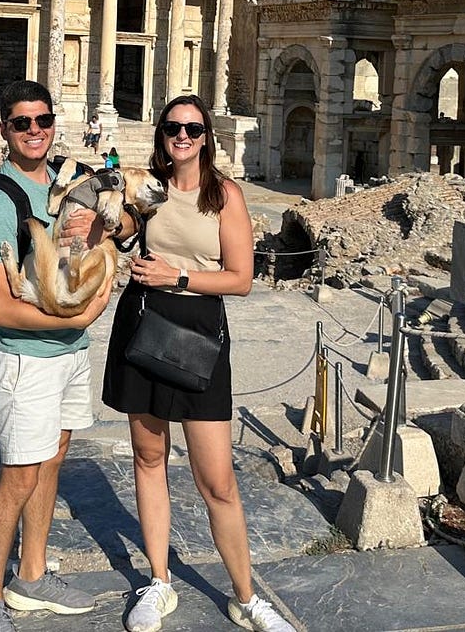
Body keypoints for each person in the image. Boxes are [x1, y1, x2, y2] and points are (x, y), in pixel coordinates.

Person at [101, 95, 294, 632]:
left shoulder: (225, 195)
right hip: (143, 322)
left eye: (191, 128)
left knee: (218, 480)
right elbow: (125, 232)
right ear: (161, 134)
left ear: (206, 135)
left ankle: (246, 597)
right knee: (148, 458)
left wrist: (178, 276)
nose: (181, 136)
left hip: (198, 333)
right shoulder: (148, 187)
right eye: (172, 128)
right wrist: (110, 225)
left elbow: (241, 278)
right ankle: (159, 581)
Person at [0, 79, 136, 632]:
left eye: (42, 120)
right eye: (22, 123)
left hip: (69, 356)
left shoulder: (70, 183)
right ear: (4, 130)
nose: (34, 131)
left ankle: (32, 576)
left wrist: (108, 226)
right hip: (27, 360)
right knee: (18, 477)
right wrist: (78, 319)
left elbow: (131, 215)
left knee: (51, 464)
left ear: (54, 124)